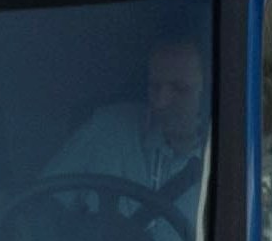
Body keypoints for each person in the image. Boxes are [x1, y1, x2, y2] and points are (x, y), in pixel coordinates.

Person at [42, 31, 212, 218]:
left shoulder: (236, 165)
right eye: (155, 87)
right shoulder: (108, 128)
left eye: (180, 89)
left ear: (209, 93)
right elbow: (41, 206)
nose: (160, 102)